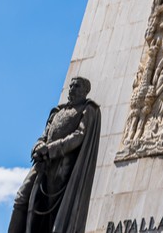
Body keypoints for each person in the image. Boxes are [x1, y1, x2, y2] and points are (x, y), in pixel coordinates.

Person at [9, 77, 100, 233]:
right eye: (70, 86)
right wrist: (38, 146)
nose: (71, 89)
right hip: (43, 163)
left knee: (53, 209)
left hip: (62, 166)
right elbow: (44, 135)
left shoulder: (87, 109)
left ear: (85, 90)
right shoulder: (58, 111)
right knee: (22, 197)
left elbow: (79, 136)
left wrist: (51, 149)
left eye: (76, 86)